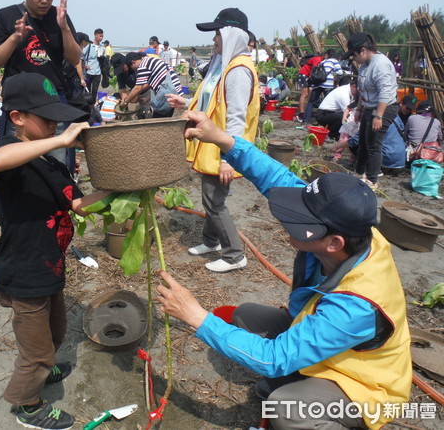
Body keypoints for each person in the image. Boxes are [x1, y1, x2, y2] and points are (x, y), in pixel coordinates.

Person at [157, 109, 412, 430]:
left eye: (302, 222)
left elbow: (274, 358)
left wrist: (195, 315)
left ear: (333, 242)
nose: (288, 221)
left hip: (365, 382)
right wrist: (220, 138)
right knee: (246, 316)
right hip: (331, 348)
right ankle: (298, 379)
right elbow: (278, 180)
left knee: (285, 408)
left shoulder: (357, 305)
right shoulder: (354, 229)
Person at [0, 72, 111, 430]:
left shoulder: (51, 164)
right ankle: (27, 405)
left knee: (56, 330)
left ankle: (46, 367)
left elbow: (79, 205)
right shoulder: (11, 159)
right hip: (23, 273)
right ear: (17, 119)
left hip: (50, 268)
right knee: (36, 353)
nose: (56, 122)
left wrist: (120, 191)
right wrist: (60, 138)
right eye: (46, 117)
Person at [166, 7, 259, 273]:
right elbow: (213, 102)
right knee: (210, 198)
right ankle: (210, 241)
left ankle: (234, 255)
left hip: (222, 149)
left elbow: (237, 118)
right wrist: (185, 101)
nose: (214, 40)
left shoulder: (238, 70)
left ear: (231, 35)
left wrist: (230, 159)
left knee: (214, 202)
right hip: (213, 146)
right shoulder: (225, 66)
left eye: (217, 34)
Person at [0, 0, 82, 171]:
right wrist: (14, 38)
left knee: (58, 159)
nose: (44, 1)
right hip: (21, 104)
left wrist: (64, 28)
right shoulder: (6, 15)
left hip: (54, 98)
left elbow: (74, 58)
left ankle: (59, 197)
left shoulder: (59, 16)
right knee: (17, 163)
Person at [345, 32, 399, 190]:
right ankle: (359, 173)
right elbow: (363, 90)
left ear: (363, 50)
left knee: (374, 144)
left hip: (384, 108)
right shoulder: (364, 65)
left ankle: (372, 180)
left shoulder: (380, 64)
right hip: (369, 107)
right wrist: (360, 109)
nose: (354, 59)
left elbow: (385, 92)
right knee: (363, 141)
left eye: (354, 55)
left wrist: (378, 116)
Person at [121, 52, 182, 118]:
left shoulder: (143, 66)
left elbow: (137, 88)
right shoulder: (150, 60)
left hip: (168, 91)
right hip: (174, 90)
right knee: (164, 117)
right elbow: (149, 84)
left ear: (133, 62)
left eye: (132, 68)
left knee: (158, 118)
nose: (134, 70)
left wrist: (125, 102)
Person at [303, 49, 343, 123]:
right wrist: (336, 78)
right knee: (327, 103)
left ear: (327, 54)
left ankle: (305, 120)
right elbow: (340, 72)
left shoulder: (322, 62)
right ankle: (323, 121)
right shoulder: (334, 61)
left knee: (311, 102)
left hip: (318, 83)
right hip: (328, 84)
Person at [296, 53, 322, 123]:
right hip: (304, 74)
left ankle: (304, 112)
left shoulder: (319, 59)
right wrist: (311, 76)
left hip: (306, 75)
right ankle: (301, 113)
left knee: (308, 94)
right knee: (304, 94)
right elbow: (314, 68)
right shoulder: (318, 59)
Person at [81, 28, 104, 102]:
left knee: (95, 91)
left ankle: (93, 105)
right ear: (95, 35)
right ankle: (86, 104)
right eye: (100, 36)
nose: (101, 38)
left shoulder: (102, 46)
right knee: (87, 90)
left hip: (98, 72)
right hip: (89, 72)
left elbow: (104, 59)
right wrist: (85, 65)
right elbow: (81, 56)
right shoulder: (89, 46)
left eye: (102, 36)